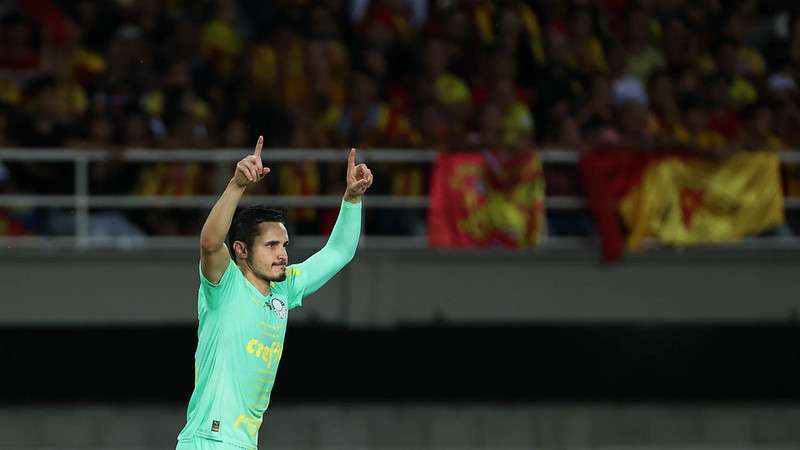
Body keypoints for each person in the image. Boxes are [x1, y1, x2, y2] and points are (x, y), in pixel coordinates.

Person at [176, 136, 373, 450]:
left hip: (243, 443)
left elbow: (339, 251)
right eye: (271, 246)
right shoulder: (225, 285)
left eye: (284, 245)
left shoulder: (285, 287)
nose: (282, 254)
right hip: (209, 440)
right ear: (240, 250)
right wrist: (237, 185)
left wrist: (351, 199)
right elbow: (210, 243)